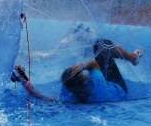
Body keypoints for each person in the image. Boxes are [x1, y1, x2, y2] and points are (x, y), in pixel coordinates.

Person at [12, 39, 143, 103]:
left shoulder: (72, 93)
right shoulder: (97, 85)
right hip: (118, 89)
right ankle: (133, 58)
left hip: (104, 95)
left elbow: (48, 100)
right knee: (102, 46)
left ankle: (132, 58)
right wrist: (82, 66)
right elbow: (94, 63)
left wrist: (25, 82)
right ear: (87, 81)